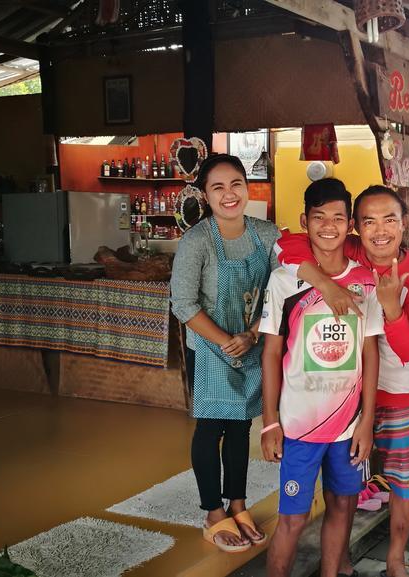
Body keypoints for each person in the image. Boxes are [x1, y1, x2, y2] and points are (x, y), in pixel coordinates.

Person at [275, 185, 409, 577]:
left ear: (405, 223)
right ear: (356, 228)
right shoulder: (350, 255)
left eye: (390, 220)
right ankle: (340, 560)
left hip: (394, 392)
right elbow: (288, 246)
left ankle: (394, 559)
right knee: (345, 487)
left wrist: (393, 308)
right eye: (369, 221)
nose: (380, 231)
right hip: (340, 397)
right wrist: (324, 282)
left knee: (400, 477)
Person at [259, 178, 384, 577]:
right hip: (298, 424)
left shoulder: (366, 282)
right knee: (293, 520)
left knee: (343, 505)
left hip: (348, 426)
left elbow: (369, 351)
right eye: (318, 218)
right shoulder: (284, 281)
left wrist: (366, 421)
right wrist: (270, 421)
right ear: (304, 221)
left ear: (349, 225)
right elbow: (272, 351)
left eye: (337, 218)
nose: (328, 226)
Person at [170, 153, 280, 553]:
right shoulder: (197, 240)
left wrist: (252, 333)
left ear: (247, 188)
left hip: (252, 343)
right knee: (211, 427)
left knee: (240, 428)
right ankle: (213, 512)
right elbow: (182, 303)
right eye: (218, 187)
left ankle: (238, 504)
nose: (229, 194)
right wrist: (224, 339)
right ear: (205, 195)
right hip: (211, 348)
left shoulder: (267, 235)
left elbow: (282, 287)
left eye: (236, 184)